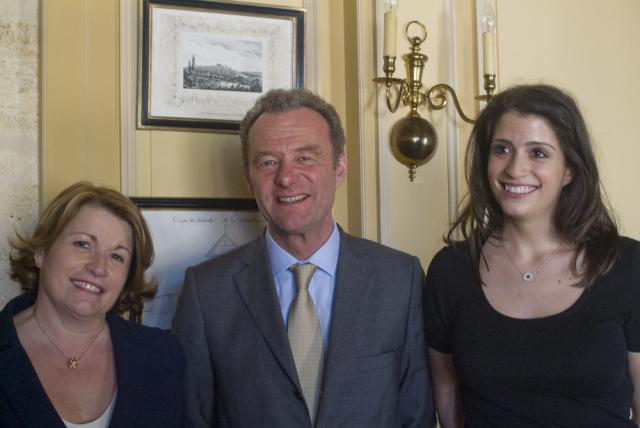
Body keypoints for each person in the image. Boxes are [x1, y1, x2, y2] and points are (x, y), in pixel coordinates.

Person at [173, 89, 435, 427]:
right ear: (249, 178)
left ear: (340, 167)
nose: (285, 177)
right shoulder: (206, 291)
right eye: (268, 162)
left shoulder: (401, 279)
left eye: (305, 158)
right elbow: (191, 418)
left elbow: (417, 414)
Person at [424, 84, 640, 427]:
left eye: (538, 153)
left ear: (569, 169)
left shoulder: (627, 265)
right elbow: (448, 400)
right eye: (502, 149)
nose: (515, 168)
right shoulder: (450, 271)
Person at [0, 182, 192, 427]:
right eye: (83, 244)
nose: (98, 267)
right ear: (41, 251)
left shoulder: (161, 356)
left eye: (116, 256)